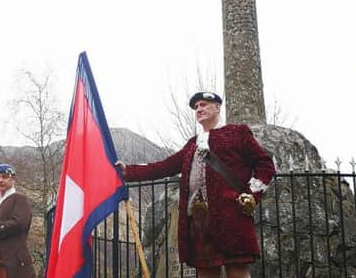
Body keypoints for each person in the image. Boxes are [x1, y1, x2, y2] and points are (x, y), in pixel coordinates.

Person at [116, 92, 275, 278]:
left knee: (237, 271)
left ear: (217, 107)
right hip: (198, 218)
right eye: (196, 107)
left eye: (204, 104)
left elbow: (265, 164)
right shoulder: (193, 144)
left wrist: (251, 194)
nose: (199, 109)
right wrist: (128, 172)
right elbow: (163, 167)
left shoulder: (237, 133)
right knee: (206, 272)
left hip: (232, 214)